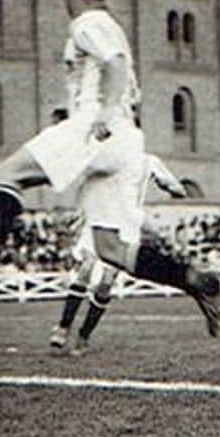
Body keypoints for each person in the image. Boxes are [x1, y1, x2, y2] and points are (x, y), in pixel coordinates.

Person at [0, 0, 220, 334]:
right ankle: (193, 279)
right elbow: (123, 74)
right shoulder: (112, 25)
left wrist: (101, 113)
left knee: (6, 174)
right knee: (109, 248)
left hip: (96, 128)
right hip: (126, 140)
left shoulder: (86, 23)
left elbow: (112, 65)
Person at [51, 152, 187, 355]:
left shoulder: (149, 162)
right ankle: (63, 327)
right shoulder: (109, 158)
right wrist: (80, 211)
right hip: (100, 218)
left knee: (106, 282)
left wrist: (171, 187)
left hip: (126, 225)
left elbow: (180, 190)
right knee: (86, 268)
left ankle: (83, 336)